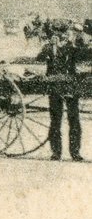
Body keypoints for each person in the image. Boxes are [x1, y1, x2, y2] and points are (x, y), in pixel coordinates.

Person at [37, 23, 88, 161]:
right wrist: (51, 47)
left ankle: (74, 152)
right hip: (56, 87)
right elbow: (39, 58)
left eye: (63, 34)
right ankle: (57, 152)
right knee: (56, 120)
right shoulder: (49, 47)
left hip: (69, 87)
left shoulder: (72, 47)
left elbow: (84, 54)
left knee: (73, 120)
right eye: (58, 34)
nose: (61, 36)